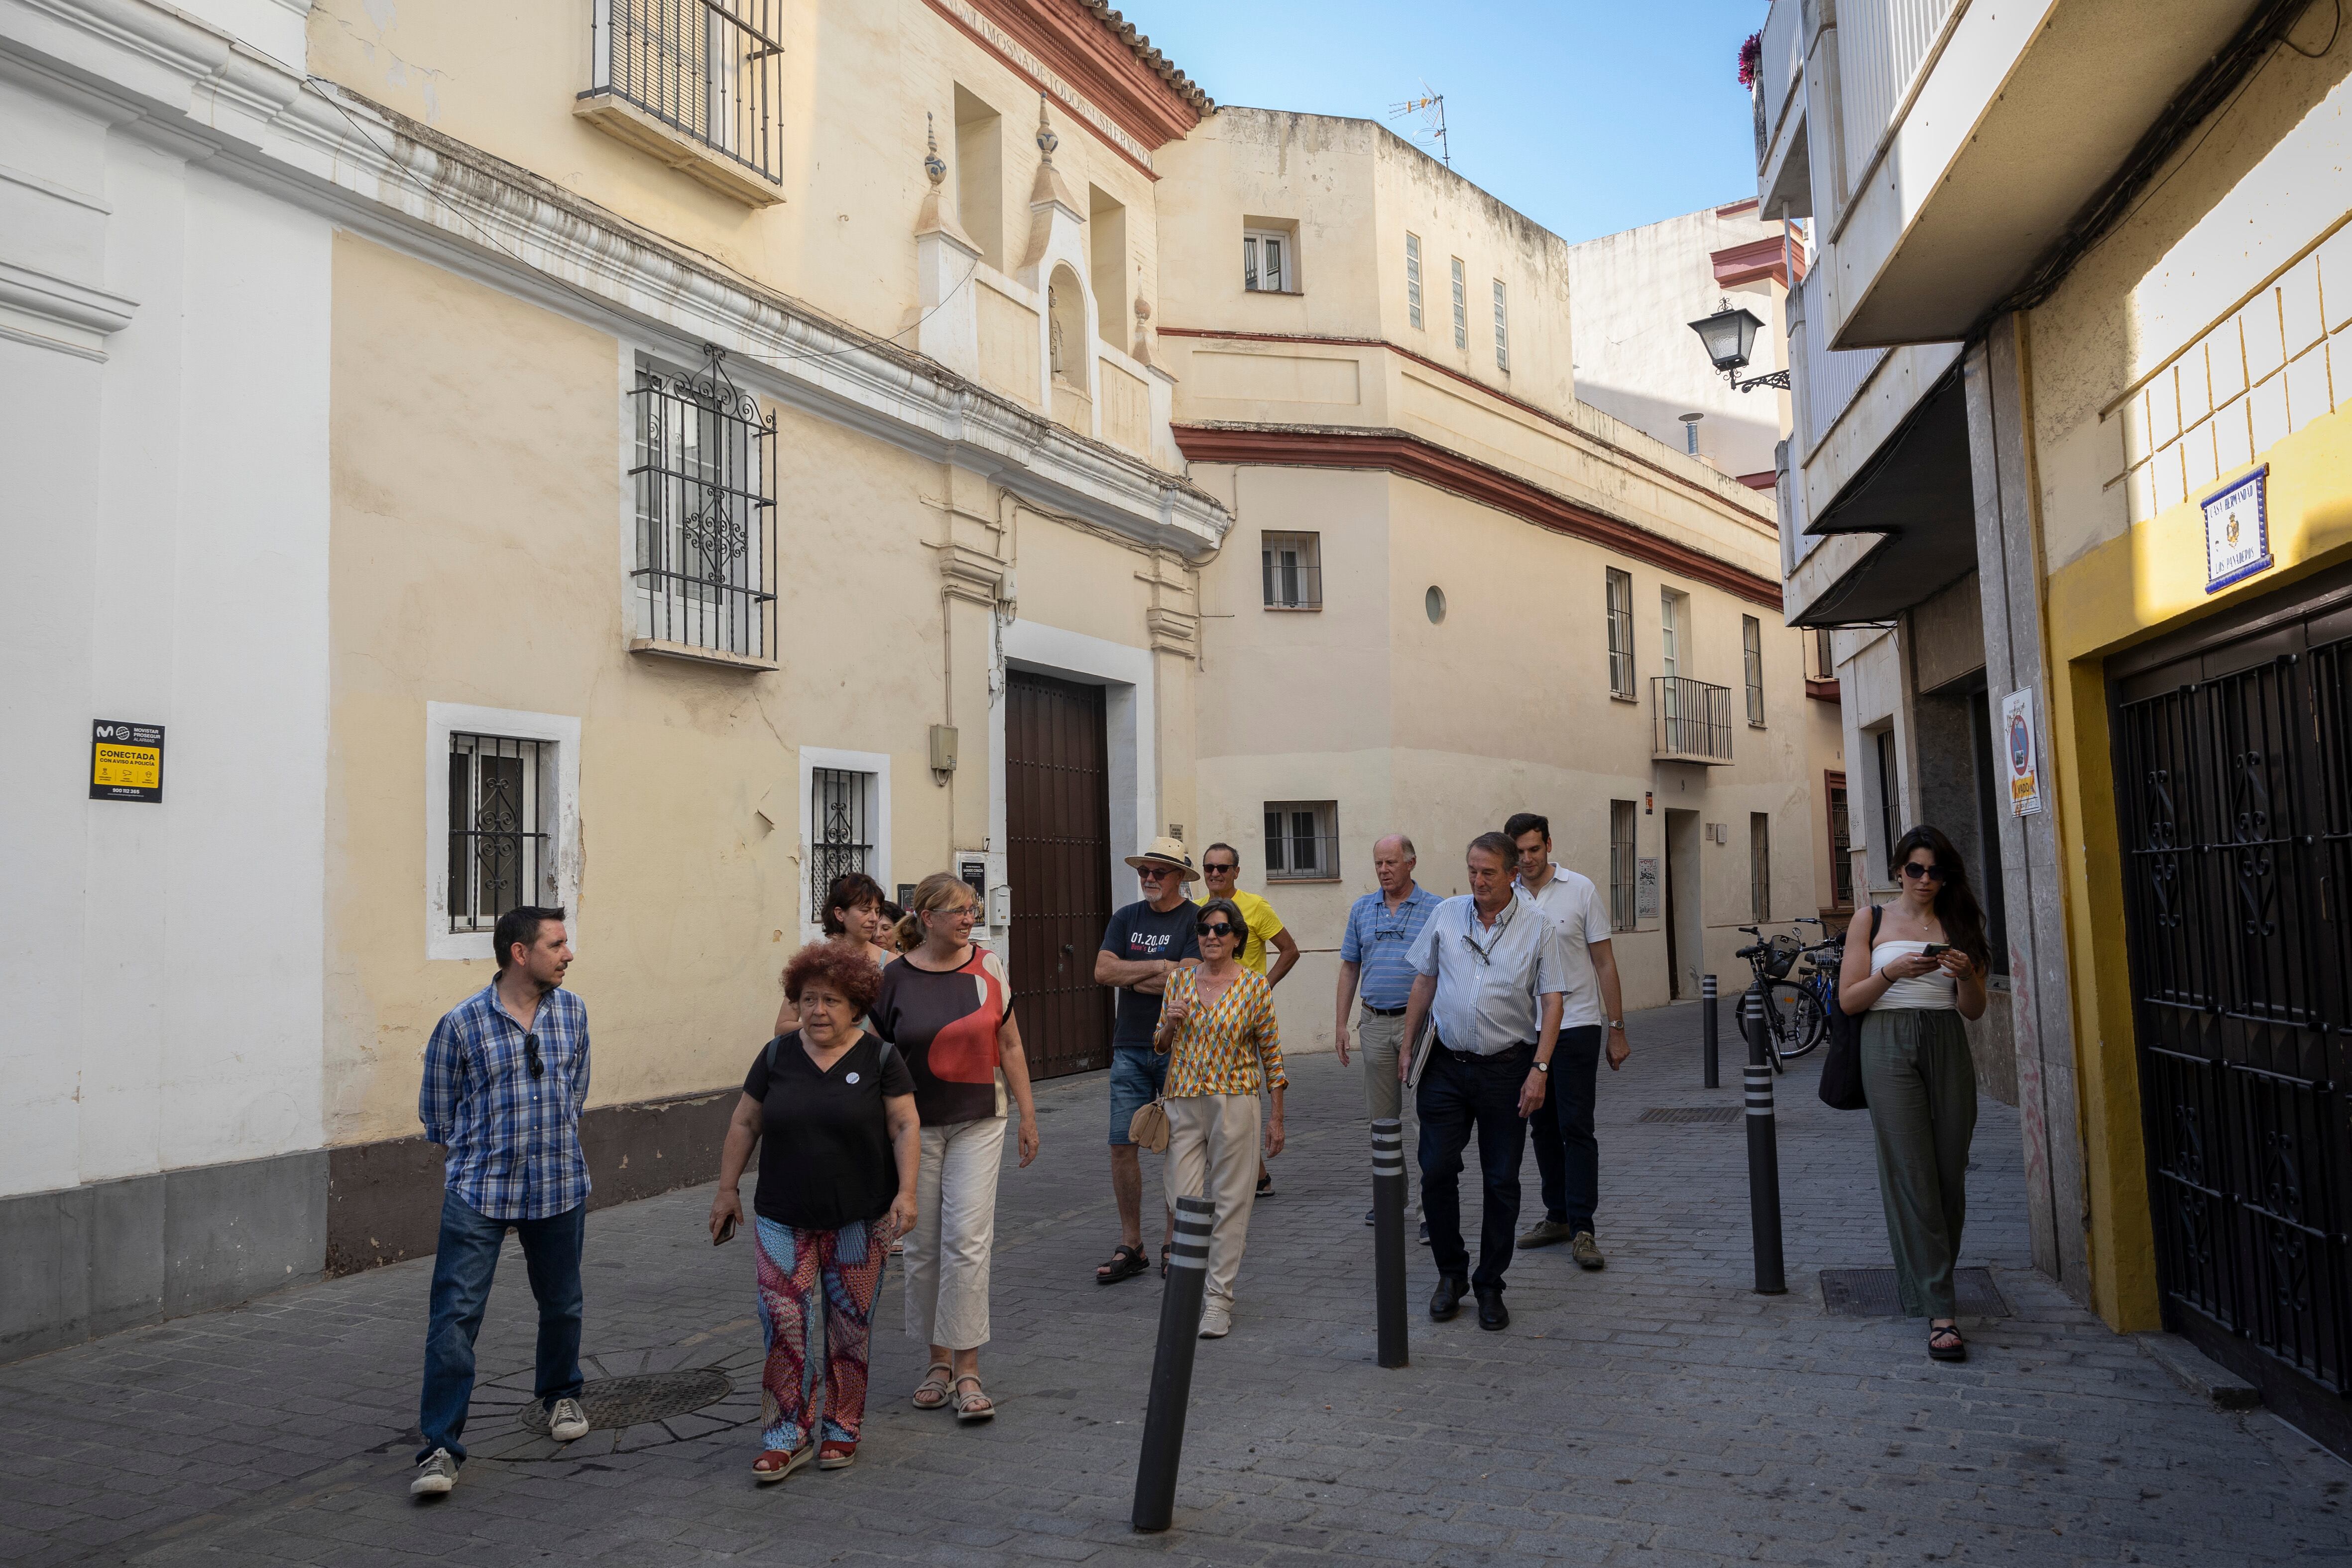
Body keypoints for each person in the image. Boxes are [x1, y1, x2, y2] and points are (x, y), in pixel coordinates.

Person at [709, 943, 918, 1481]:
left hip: (859, 1216)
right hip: (782, 1214)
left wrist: (907, 1193)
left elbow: (903, 1125)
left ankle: (841, 1427)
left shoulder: (880, 1058)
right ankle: (786, 1434)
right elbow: (744, 1123)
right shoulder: (776, 1055)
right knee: (782, 1320)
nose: (818, 1010)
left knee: (849, 1328)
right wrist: (726, 1189)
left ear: (856, 1007)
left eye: (831, 1000)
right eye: (808, 999)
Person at [410, 906, 593, 1498]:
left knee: (562, 1303)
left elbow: (576, 1090)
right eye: (557, 944)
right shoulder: (461, 1024)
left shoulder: (573, 1012)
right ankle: (440, 1447)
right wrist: (479, 1151)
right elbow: (437, 1114)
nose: (569, 954)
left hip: (559, 1182)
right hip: (480, 1191)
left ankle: (561, 1397)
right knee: (455, 1318)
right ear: (520, 952)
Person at [871, 872, 1040, 1423]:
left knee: (966, 1239)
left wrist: (1027, 1115)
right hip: (914, 1128)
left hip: (979, 1118)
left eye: (971, 908)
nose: (970, 917)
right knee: (921, 1245)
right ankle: (935, 1363)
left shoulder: (987, 965)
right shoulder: (890, 977)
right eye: (959, 910)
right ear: (926, 918)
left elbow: (1009, 1042)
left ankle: (967, 1368)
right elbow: (872, 1057)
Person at [1399, 833, 1568, 1332]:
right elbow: (1424, 979)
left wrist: (1539, 1069)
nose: (1477, 880)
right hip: (1445, 1066)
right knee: (1435, 1171)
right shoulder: (1447, 914)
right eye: (1471, 870)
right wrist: (1408, 1045)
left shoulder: (1538, 927)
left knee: (1501, 1181)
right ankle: (1449, 1274)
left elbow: (1552, 1001)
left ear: (1513, 873)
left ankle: (1490, 1282)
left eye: (1487, 872)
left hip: (1506, 1069)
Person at [1837, 824, 1990, 1362]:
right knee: (1911, 1170)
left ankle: (1932, 1282)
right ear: (1897, 869)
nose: (1925, 880)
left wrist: (1967, 973)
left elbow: (1972, 1010)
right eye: (1915, 869)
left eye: (1935, 871)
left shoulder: (1959, 919)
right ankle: (1939, 1309)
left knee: (1948, 1168)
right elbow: (1850, 1000)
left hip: (1945, 1040)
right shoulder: (1870, 919)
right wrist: (1894, 972)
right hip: (1886, 1041)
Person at [1152, 896, 1287, 1339]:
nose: (1212, 936)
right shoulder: (1179, 983)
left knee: (1231, 1205)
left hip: (1235, 1101)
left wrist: (1277, 1119)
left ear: (1237, 939)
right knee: (1184, 1200)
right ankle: (1191, 1289)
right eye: (1205, 928)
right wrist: (1170, 1024)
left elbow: (1272, 1056)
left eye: (1222, 929)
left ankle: (1218, 1301)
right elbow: (1159, 1044)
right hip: (1183, 1100)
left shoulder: (1253, 987)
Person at [1506, 813, 1631, 1270]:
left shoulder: (1581, 889)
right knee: (1540, 1126)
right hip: (1525, 1029)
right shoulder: (1506, 895)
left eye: (1534, 850)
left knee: (1576, 1127)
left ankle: (1583, 1228)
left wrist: (1616, 1028)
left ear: (1548, 846)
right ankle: (1556, 1214)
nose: (1527, 860)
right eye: (1518, 853)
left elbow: (1604, 962)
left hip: (1577, 1024)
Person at [1091, 836, 1202, 1284]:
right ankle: (1132, 1242)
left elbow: (1193, 981)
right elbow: (1102, 971)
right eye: (1145, 872)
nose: (1150, 879)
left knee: (1181, 1149)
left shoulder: (1198, 919)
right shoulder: (1126, 917)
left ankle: (1173, 1241)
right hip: (1130, 1047)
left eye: (1159, 872)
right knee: (1123, 1145)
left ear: (1179, 877)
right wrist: (1162, 968)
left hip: (1180, 1048)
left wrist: (1133, 976)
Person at [1334, 834, 1441, 1228]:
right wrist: (1342, 1025)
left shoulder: (1437, 909)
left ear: (1411, 863)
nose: (1383, 870)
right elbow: (1350, 967)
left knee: (1426, 1119)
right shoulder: (1363, 908)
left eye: (1391, 863)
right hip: (1376, 1024)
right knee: (1382, 1122)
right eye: (1378, 863)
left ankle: (1430, 1211)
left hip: (1424, 1027)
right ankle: (1389, 1199)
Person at [1197, 842, 1298, 1197]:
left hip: (1245, 1019)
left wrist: (1262, 989)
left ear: (1236, 872)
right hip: (1207, 1019)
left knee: (1242, 1092)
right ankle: (1257, 1176)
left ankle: (1247, 1173)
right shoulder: (1196, 911)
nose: (1215, 874)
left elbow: (1290, 950)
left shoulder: (1256, 906)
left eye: (1223, 868)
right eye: (1209, 867)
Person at [775, 873, 893, 1035]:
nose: (874, 919)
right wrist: (824, 1025)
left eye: (877, 911)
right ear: (840, 914)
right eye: (865, 911)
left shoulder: (891, 964)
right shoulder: (817, 963)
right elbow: (782, 1028)